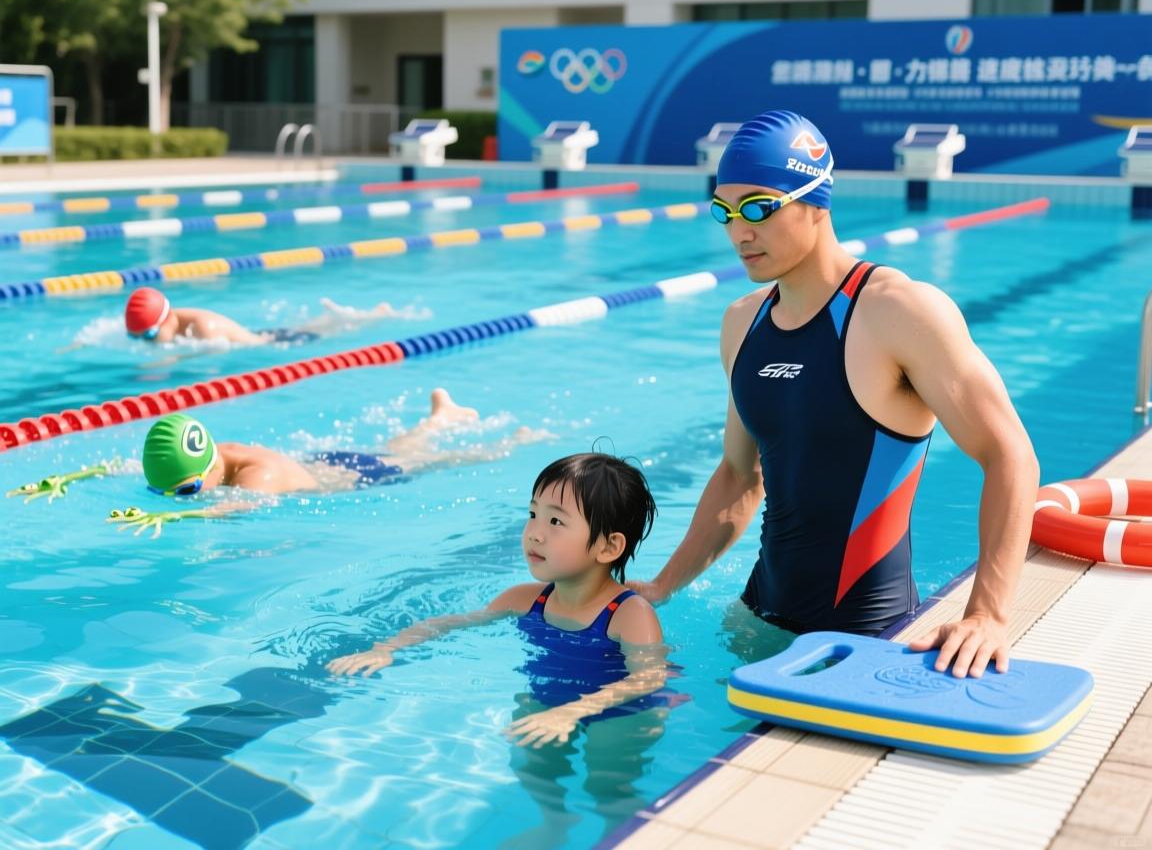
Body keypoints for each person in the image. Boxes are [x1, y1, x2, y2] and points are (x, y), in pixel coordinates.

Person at [628, 110, 1039, 679]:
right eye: (724, 211)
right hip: (753, 620)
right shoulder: (742, 322)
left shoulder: (898, 311)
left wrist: (989, 614)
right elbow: (738, 476)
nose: (738, 232)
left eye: (758, 208)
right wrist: (662, 586)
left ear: (816, 202)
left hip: (864, 638)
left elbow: (1010, 455)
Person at [326, 452, 670, 848]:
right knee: (531, 759)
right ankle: (554, 822)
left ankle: (621, 834)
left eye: (556, 521)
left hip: (619, 712)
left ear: (608, 547)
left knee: (608, 780)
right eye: (533, 514)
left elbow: (650, 676)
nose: (535, 533)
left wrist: (574, 711)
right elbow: (452, 622)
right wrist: (386, 648)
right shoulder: (524, 599)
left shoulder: (628, 613)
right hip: (548, 700)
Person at [141, 388, 546, 496]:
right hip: (327, 462)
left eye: (189, 491)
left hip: (356, 479)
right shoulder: (219, 451)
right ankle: (440, 417)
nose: (183, 500)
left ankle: (511, 442)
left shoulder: (254, 478)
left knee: (437, 462)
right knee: (401, 449)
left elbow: (225, 513)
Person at [123, 285, 412, 346]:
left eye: (147, 336)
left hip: (270, 344)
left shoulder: (203, 329)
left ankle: (375, 316)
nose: (144, 343)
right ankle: (340, 315)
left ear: (166, 318)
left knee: (331, 333)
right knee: (316, 326)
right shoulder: (176, 322)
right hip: (263, 334)